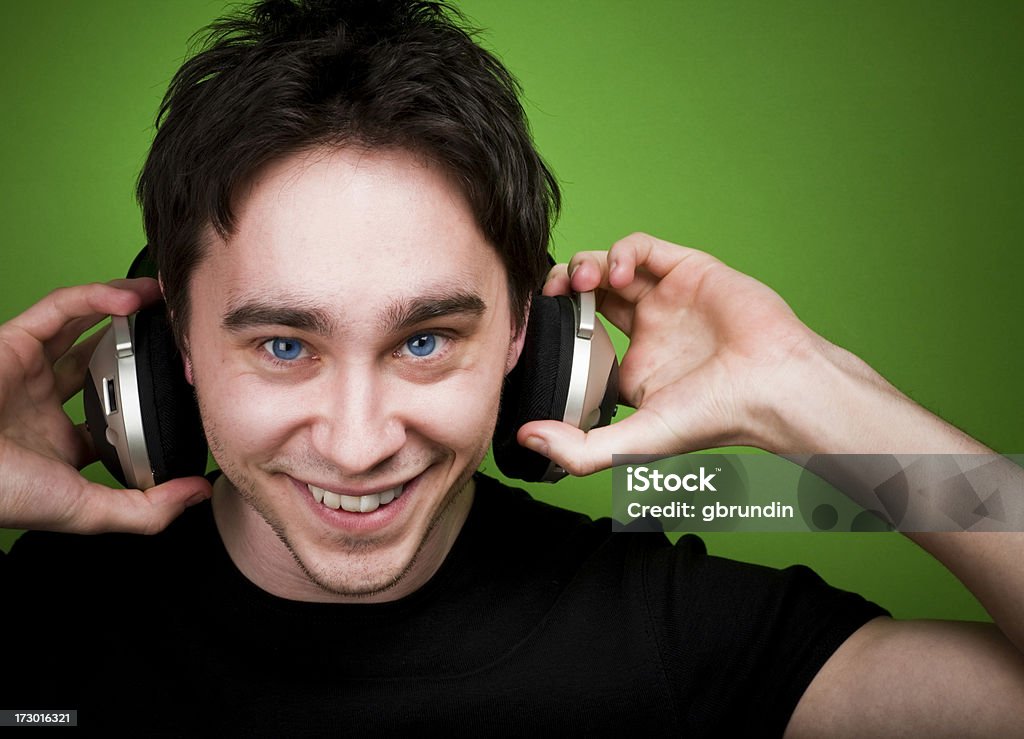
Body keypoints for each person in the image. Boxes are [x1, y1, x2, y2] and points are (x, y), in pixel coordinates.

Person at [2, 1, 1022, 735]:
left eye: (425, 340)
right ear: (173, 342)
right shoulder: (38, 622)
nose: (358, 444)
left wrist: (812, 393)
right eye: (283, 345)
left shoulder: (665, 629)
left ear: (528, 337)